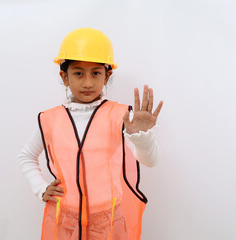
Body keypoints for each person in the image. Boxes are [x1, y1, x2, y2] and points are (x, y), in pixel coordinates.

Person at [18, 27, 163, 240]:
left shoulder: (120, 115)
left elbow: (151, 161)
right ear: (64, 76)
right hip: (64, 222)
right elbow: (26, 156)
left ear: (107, 75)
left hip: (108, 224)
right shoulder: (49, 119)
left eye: (96, 73)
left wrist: (142, 135)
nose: (88, 83)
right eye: (78, 73)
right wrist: (40, 188)